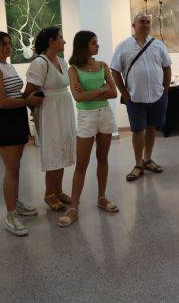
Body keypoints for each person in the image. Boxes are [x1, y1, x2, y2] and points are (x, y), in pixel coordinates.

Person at [0, 31, 43, 236]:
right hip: (2, 120)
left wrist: (29, 100)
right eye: (3, 45)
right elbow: (1, 101)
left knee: (16, 167)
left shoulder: (8, 66)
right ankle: (10, 215)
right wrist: (27, 101)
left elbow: (15, 95)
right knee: (11, 168)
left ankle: (15, 203)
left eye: (9, 43)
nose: (7, 48)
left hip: (16, 117)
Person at [58, 31, 119, 227]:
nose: (98, 46)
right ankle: (74, 207)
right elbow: (79, 98)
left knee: (103, 158)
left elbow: (113, 92)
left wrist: (93, 92)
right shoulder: (73, 69)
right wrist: (101, 89)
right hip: (86, 118)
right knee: (82, 164)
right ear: (84, 46)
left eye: (97, 42)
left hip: (105, 115)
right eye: (94, 43)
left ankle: (102, 197)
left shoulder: (102, 65)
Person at [110, 12, 172, 182]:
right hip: (135, 97)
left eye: (147, 22)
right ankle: (138, 164)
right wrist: (123, 92)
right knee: (138, 130)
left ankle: (148, 159)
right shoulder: (123, 46)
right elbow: (114, 70)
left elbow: (167, 68)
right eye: (141, 22)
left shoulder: (158, 45)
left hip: (157, 96)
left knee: (152, 128)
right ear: (133, 26)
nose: (145, 24)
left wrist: (165, 89)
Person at [24, 27, 76, 211]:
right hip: (48, 113)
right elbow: (28, 93)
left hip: (63, 110)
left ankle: (59, 190)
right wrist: (35, 113)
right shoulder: (40, 63)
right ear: (51, 41)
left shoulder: (62, 62)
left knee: (62, 149)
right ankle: (49, 193)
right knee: (53, 150)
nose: (64, 41)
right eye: (61, 38)